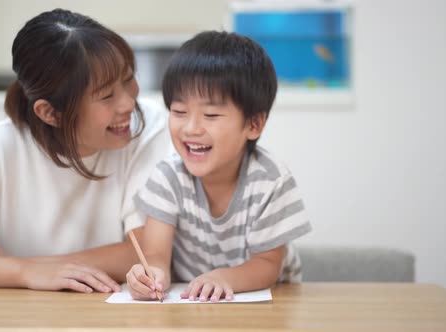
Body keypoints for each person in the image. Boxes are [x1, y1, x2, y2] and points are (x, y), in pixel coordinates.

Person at [0, 8, 170, 293]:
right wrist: (24, 272)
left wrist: (14, 263)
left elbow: (147, 251)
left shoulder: (147, 127)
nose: (128, 104)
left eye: (128, 79)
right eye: (107, 96)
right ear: (51, 113)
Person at [125, 31, 312, 302]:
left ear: (253, 124)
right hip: (196, 305)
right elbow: (156, 255)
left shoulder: (271, 181)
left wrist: (223, 278)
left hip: (272, 301)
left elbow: (267, 266)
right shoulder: (167, 176)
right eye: (179, 112)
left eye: (210, 115)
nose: (191, 128)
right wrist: (150, 276)